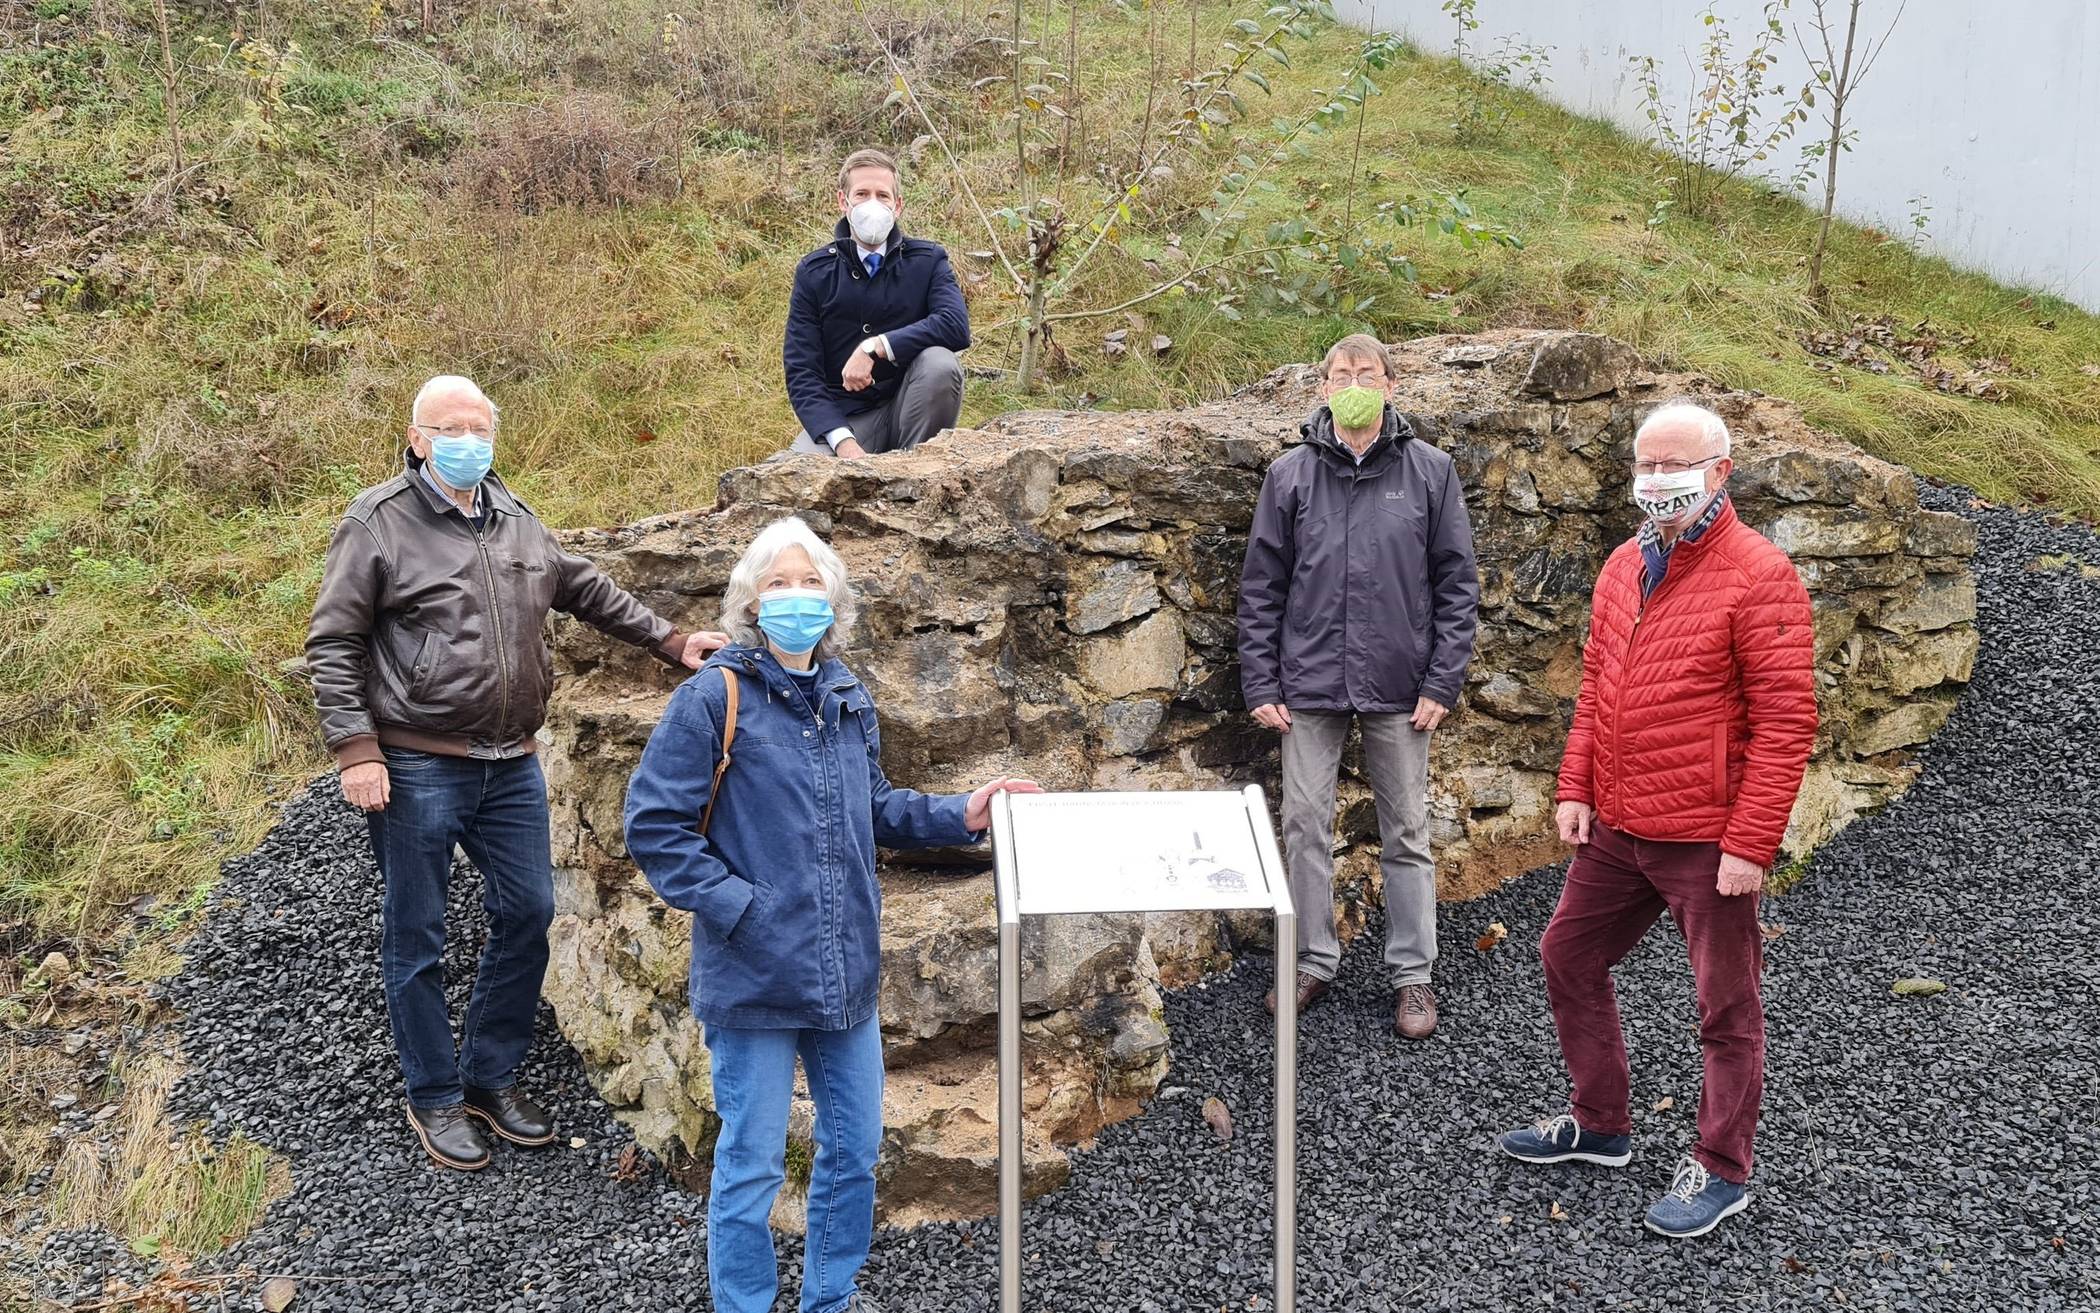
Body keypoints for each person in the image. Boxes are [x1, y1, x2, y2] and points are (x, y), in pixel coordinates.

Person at [306, 374, 725, 1172]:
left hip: (511, 762)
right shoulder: (377, 522)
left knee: (529, 914)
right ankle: (433, 1094)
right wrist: (356, 750)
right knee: (417, 934)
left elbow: (582, 587)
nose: (470, 439)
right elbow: (333, 643)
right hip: (416, 760)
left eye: (481, 426)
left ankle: (489, 1077)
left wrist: (672, 642)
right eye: (452, 427)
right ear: (419, 438)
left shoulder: (514, 515)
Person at [622, 516, 1038, 1313]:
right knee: (751, 1163)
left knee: (855, 1152)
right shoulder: (714, 696)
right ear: (750, 601)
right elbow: (654, 826)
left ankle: (830, 1298)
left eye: (811, 581)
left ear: (835, 601)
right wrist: (742, 909)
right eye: (778, 582)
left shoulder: (847, 696)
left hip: (842, 970)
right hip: (751, 975)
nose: (796, 595)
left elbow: (873, 805)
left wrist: (964, 812)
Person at [1497, 400, 1816, 1239]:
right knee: (1567, 952)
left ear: (1721, 471)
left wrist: (1749, 842)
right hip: (1620, 828)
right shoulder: (1621, 564)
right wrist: (1576, 786)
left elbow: (1787, 721)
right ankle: (1600, 1123)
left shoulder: (1760, 574)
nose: (1656, 479)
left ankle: (1720, 1169)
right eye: (1645, 465)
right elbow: (1599, 687)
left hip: (1708, 839)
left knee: (1725, 1007)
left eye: (1674, 463)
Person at [1236, 333, 1480, 1039]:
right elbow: (1261, 587)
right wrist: (1261, 679)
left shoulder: (1431, 472)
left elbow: (1457, 585)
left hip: (1402, 683)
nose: (1352, 383)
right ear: (1322, 389)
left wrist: (1443, 679)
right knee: (1304, 823)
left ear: (1390, 385)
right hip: (1307, 681)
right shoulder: (1289, 476)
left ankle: (1413, 975)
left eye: (1364, 373)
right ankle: (1312, 958)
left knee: (1405, 831)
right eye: (1339, 374)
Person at [782, 148, 971, 458]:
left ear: (897, 206)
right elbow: (802, 372)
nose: (872, 203)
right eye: (861, 194)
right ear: (843, 202)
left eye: (882, 195)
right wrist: (844, 443)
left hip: (910, 411)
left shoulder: (927, 261)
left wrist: (876, 346)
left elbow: (954, 326)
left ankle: (919, 474)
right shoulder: (814, 273)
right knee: (792, 476)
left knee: (940, 363)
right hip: (845, 422)